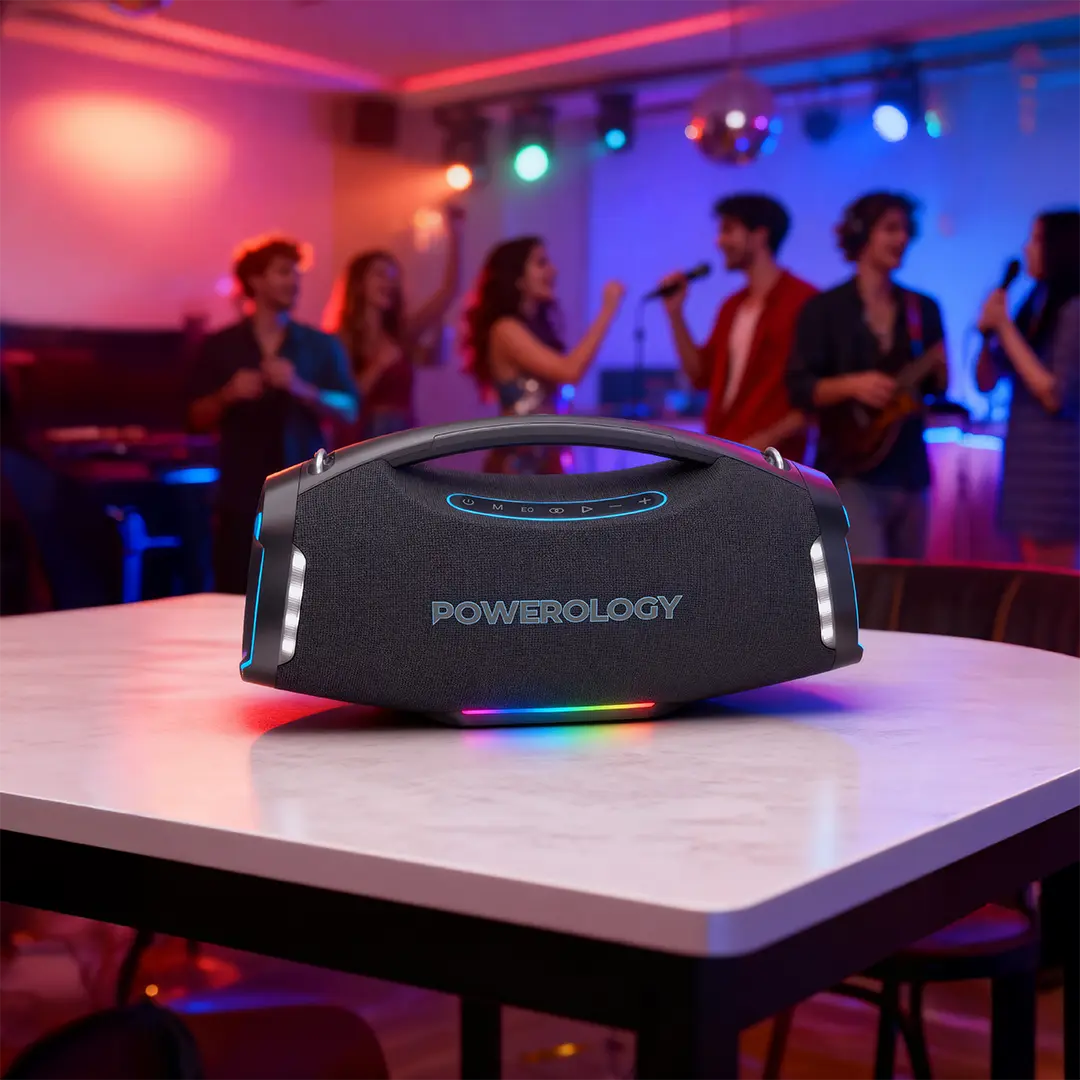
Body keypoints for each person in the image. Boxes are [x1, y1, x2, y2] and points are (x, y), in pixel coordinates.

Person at [188, 235, 358, 595]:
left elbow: (349, 409)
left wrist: (301, 388)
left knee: (305, 595)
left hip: (306, 492)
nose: (294, 281)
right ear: (255, 280)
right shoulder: (220, 345)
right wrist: (227, 395)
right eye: (283, 272)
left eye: (296, 273)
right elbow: (193, 416)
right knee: (236, 593)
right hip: (240, 497)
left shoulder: (320, 344)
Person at [787, 191, 949, 559]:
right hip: (849, 471)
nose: (902, 238)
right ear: (861, 233)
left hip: (910, 470)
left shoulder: (923, 308)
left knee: (909, 586)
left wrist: (939, 372)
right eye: (890, 228)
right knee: (868, 582)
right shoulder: (823, 310)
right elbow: (799, 388)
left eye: (906, 230)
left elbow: (937, 390)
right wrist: (853, 386)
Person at [659, 193, 816, 461]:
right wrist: (675, 313)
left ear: (760, 235)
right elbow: (699, 376)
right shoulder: (731, 307)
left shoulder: (804, 302)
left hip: (772, 463)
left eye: (728, 230)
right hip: (725, 452)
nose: (719, 241)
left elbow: (811, 402)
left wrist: (760, 445)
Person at [462, 236, 625, 474]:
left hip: (545, 463)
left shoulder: (533, 329)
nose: (553, 270)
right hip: (517, 469)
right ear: (517, 278)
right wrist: (607, 310)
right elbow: (569, 371)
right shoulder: (505, 329)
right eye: (541, 263)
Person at [976, 208, 1080, 569]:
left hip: (1058, 470)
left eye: (1037, 240)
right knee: (1033, 574)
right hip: (1027, 464)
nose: (1026, 248)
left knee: (1054, 582)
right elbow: (987, 382)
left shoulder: (1074, 310)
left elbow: (1056, 395)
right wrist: (988, 333)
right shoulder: (1035, 304)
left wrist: (1005, 328)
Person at [325, 207, 464, 440]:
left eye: (393, 277)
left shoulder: (400, 333)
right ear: (359, 283)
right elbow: (344, 402)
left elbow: (448, 293)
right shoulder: (341, 338)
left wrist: (456, 235)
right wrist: (378, 366)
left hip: (400, 435)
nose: (389, 283)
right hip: (362, 439)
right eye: (380, 275)